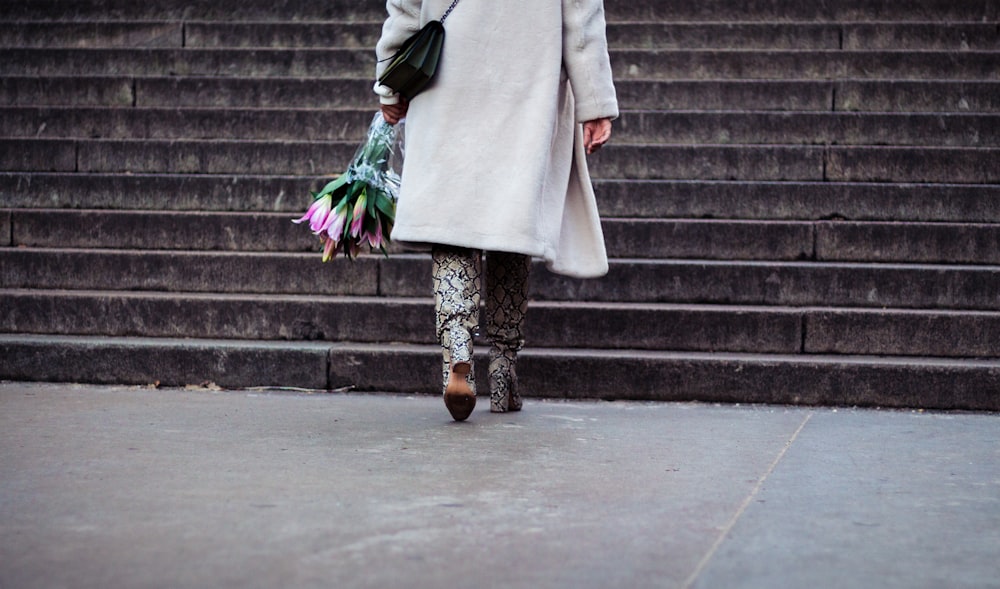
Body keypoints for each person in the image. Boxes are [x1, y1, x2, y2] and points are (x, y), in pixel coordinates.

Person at [374, 0, 618, 421]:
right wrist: (595, 102)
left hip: (447, 79)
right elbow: (581, 18)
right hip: (529, 83)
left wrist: (389, 80)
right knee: (511, 222)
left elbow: (405, 6)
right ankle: (504, 370)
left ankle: (457, 351)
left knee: (452, 225)